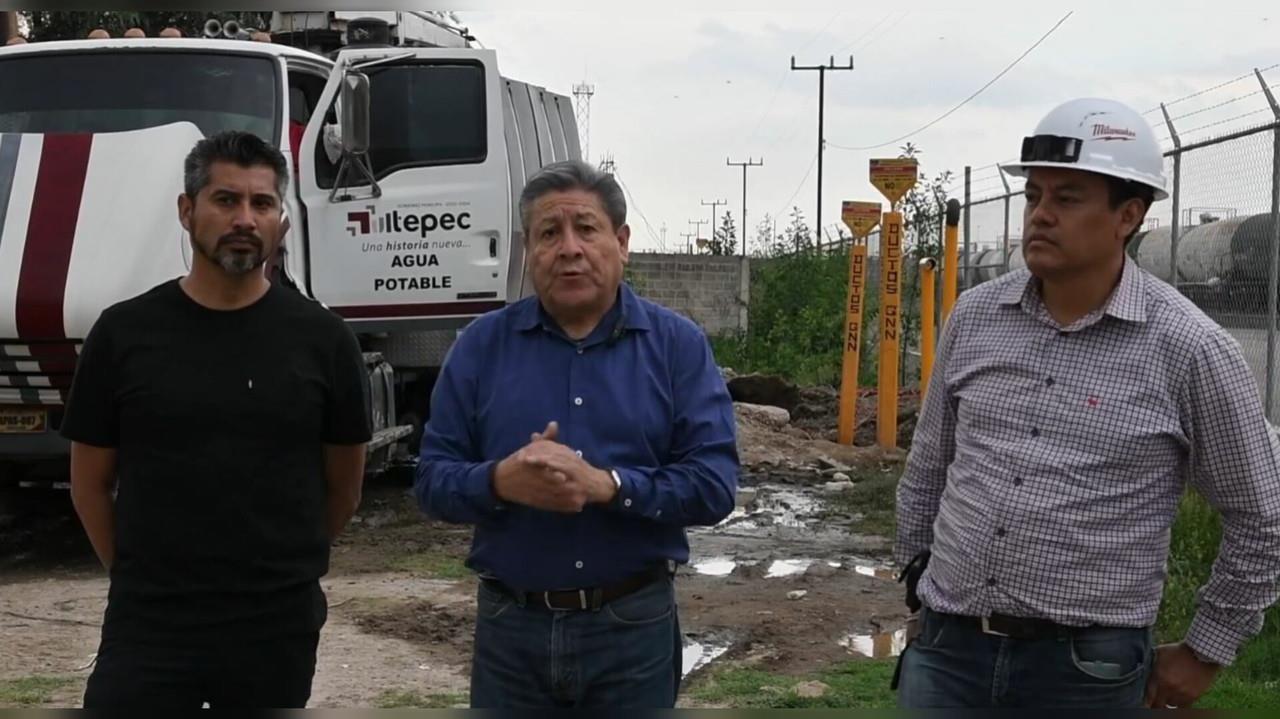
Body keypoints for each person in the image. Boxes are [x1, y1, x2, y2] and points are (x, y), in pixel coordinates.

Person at [893, 97, 1280, 709]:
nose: (1041, 216)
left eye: (1067, 199)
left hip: (1084, 672)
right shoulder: (975, 318)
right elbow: (929, 470)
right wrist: (918, 582)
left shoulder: (1190, 348)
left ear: (1128, 215)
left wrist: (1209, 647)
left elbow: (1262, 513)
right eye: (1034, 196)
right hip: (947, 655)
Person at [62, 131, 372, 708]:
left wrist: (279, 570)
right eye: (226, 200)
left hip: (275, 625)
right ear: (187, 210)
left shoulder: (323, 341)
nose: (245, 219)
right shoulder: (124, 334)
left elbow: (344, 489)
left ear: (281, 217)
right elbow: (89, 483)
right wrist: (135, 575)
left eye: (262, 203)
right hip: (148, 625)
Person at [415, 159, 739, 708]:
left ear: (622, 241)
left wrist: (610, 485)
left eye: (585, 229)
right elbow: (431, 481)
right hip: (510, 631)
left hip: (632, 627)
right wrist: (498, 481)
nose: (569, 248)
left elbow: (713, 484)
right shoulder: (479, 347)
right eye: (549, 233)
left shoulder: (677, 347)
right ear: (528, 251)